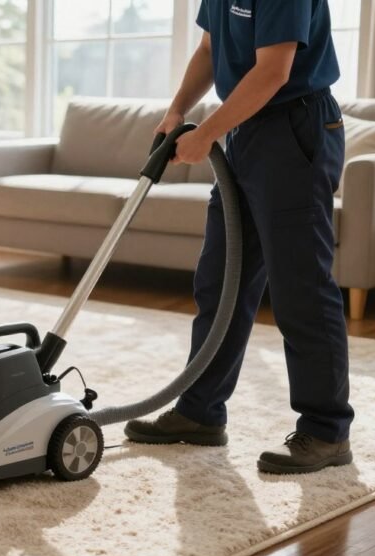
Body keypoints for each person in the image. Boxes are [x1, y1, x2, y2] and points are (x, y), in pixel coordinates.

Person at [124, 0, 354, 474]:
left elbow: (273, 72)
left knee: (300, 288)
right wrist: (176, 111)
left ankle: (327, 430)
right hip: (248, 131)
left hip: (294, 127)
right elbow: (209, 49)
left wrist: (206, 132)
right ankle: (200, 411)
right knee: (220, 279)